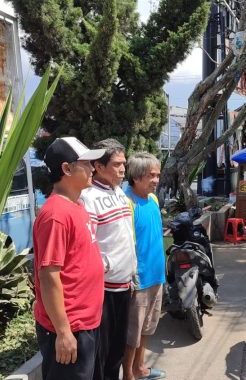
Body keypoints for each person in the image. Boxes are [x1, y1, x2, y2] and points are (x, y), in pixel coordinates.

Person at [33, 137, 106, 380]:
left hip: (86, 323)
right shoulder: (56, 214)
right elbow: (49, 276)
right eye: (86, 163)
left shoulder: (76, 206)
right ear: (67, 168)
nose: (93, 168)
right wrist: (64, 332)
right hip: (70, 328)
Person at [80, 139, 137, 380]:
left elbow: (124, 237)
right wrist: (106, 267)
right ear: (98, 166)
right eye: (116, 164)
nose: (123, 169)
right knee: (101, 358)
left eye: (124, 163)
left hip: (123, 286)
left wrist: (130, 273)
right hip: (103, 291)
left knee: (116, 352)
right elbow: (87, 246)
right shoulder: (88, 198)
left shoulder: (119, 194)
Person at [123, 152, 167, 380]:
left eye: (158, 175)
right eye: (151, 175)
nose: (156, 180)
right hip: (139, 279)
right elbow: (125, 244)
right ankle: (128, 374)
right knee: (133, 333)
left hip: (156, 275)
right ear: (137, 176)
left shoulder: (154, 200)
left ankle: (140, 368)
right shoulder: (126, 202)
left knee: (147, 327)